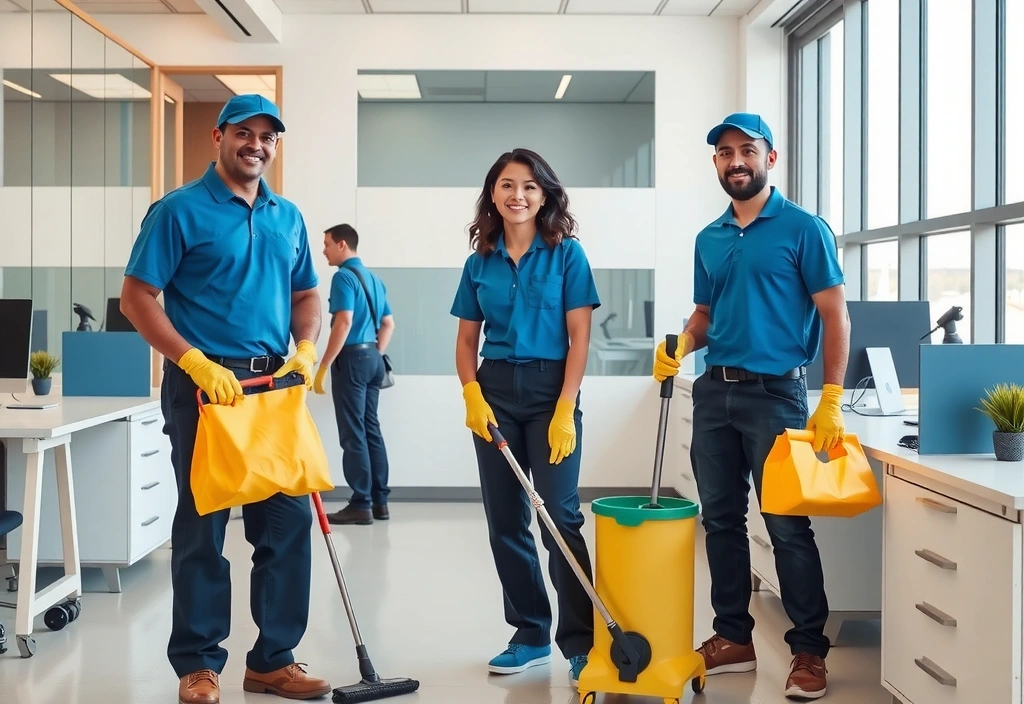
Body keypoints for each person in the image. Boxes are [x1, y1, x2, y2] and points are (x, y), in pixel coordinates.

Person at [119, 94, 332, 704]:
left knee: (287, 529)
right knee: (203, 530)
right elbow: (138, 297)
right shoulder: (179, 211)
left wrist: (307, 348)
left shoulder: (287, 216)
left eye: (268, 137)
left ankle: (272, 661)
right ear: (219, 136)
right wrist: (191, 361)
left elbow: (306, 296)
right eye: (245, 132)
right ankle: (198, 663)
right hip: (206, 391)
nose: (256, 145)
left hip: (275, 390)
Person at [653, 113, 849, 700]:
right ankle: (732, 637)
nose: (735, 160)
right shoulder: (709, 237)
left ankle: (809, 651)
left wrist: (831, 396)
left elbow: (836, 314)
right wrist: (684, 344)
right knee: (720, 521)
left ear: (771, 157)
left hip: (774, 395)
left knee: (786, 526)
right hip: (714, 391)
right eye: (724, 153)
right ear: (715, 163)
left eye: (747, 150)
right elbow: (706, 315)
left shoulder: (803, 228)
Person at [450, 148, 601, 688]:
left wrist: (565, 408)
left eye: (530, 187)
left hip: (550, 391)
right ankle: (531, 633)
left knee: (559, 518)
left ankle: (582, 640)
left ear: (545, 195)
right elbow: (467, 339)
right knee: (505, 518)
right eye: (508, 185)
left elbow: (580, 336)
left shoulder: (567, 255)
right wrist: (472, 392)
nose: (518, 195)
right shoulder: (479, 262)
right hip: (494, 392)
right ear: (493, 193)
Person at [313, 223, 395, 525]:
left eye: (327, 244)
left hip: (352, 358)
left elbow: (344, 322)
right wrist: (373, 351)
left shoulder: (344, 277)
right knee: (370, 427)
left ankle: (360, 503)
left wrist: (322, 366)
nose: (324, 250)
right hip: (374, 356)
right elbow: (388, 324)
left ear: (342, 244)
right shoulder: (374, 279)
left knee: (353, 432)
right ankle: (380, 502)